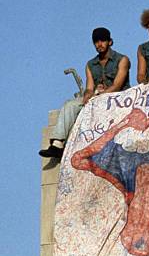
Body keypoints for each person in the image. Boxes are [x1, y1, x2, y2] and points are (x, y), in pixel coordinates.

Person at [39, 28, 130, 158]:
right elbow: (89, 87)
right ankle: (57, 144)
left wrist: (99, 95)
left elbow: (117, 86)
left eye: (102, 40)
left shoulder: (122, 59)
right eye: (96, 42)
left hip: (118, 99)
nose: (99, 44)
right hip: (97, 98)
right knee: (70, 105)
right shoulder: (90, 64)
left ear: (110, 42)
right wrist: (88, 95)